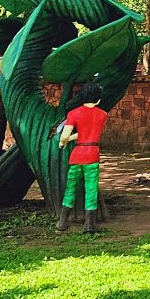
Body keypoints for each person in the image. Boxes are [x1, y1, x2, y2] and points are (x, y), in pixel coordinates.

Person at [57, 81, 109, 234]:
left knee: (71, 187)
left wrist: (63, 141)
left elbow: (65, 136)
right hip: (93, 153)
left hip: (77, 154)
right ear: (98, 99)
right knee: (91, 188)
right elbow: (88, 133)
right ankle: (89, 225)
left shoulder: (74, 113)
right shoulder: (102, 115)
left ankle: (63, 221)